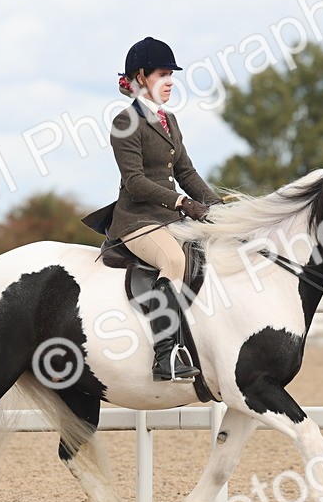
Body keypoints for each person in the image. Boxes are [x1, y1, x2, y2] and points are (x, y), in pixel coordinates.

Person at [84, 37, 223, 382]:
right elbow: (135, 182)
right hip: (137, 220)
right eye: (163, 74)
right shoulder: (124, 122)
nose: (170, 82)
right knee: (173, 260)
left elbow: (185, 172)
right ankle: (167, 356)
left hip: (168, 218)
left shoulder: (169, 121)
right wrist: (181, 202)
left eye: (171, 75)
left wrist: (217, 206)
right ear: (142, 77)